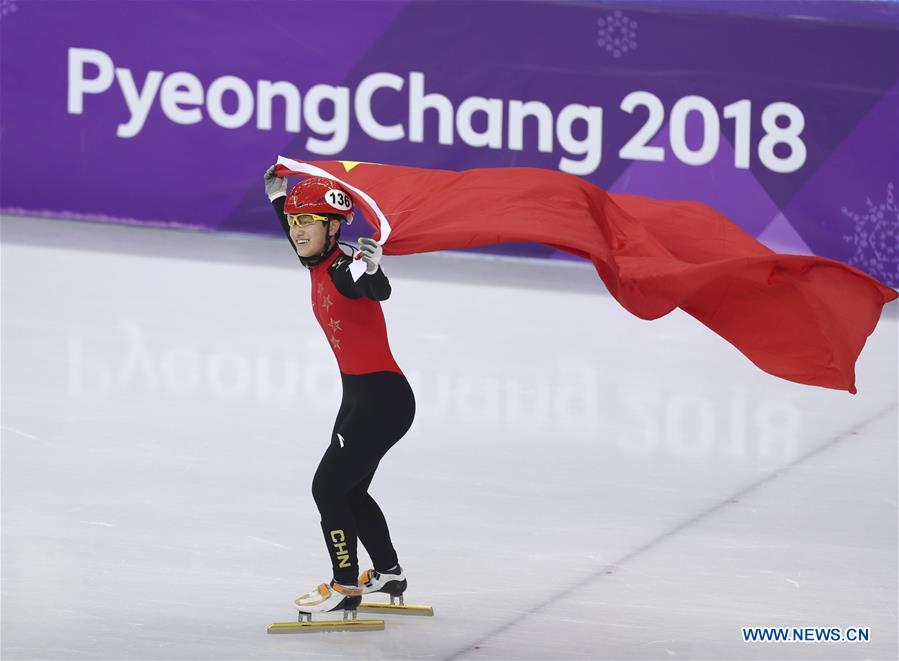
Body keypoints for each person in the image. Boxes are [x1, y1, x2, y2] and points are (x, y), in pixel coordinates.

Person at [263, 165, 415, 614]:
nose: (297, 231)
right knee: (348, 491)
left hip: (382, 401)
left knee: (327, 489)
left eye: (306, 222)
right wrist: (279, 198)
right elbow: (300, 229)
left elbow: (373, 288)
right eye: (293, 222)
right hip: (361, 398)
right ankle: (388, 573)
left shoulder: (346, 266)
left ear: (333, 228)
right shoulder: (315, 256)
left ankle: (346, 584)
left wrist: (373, 270)